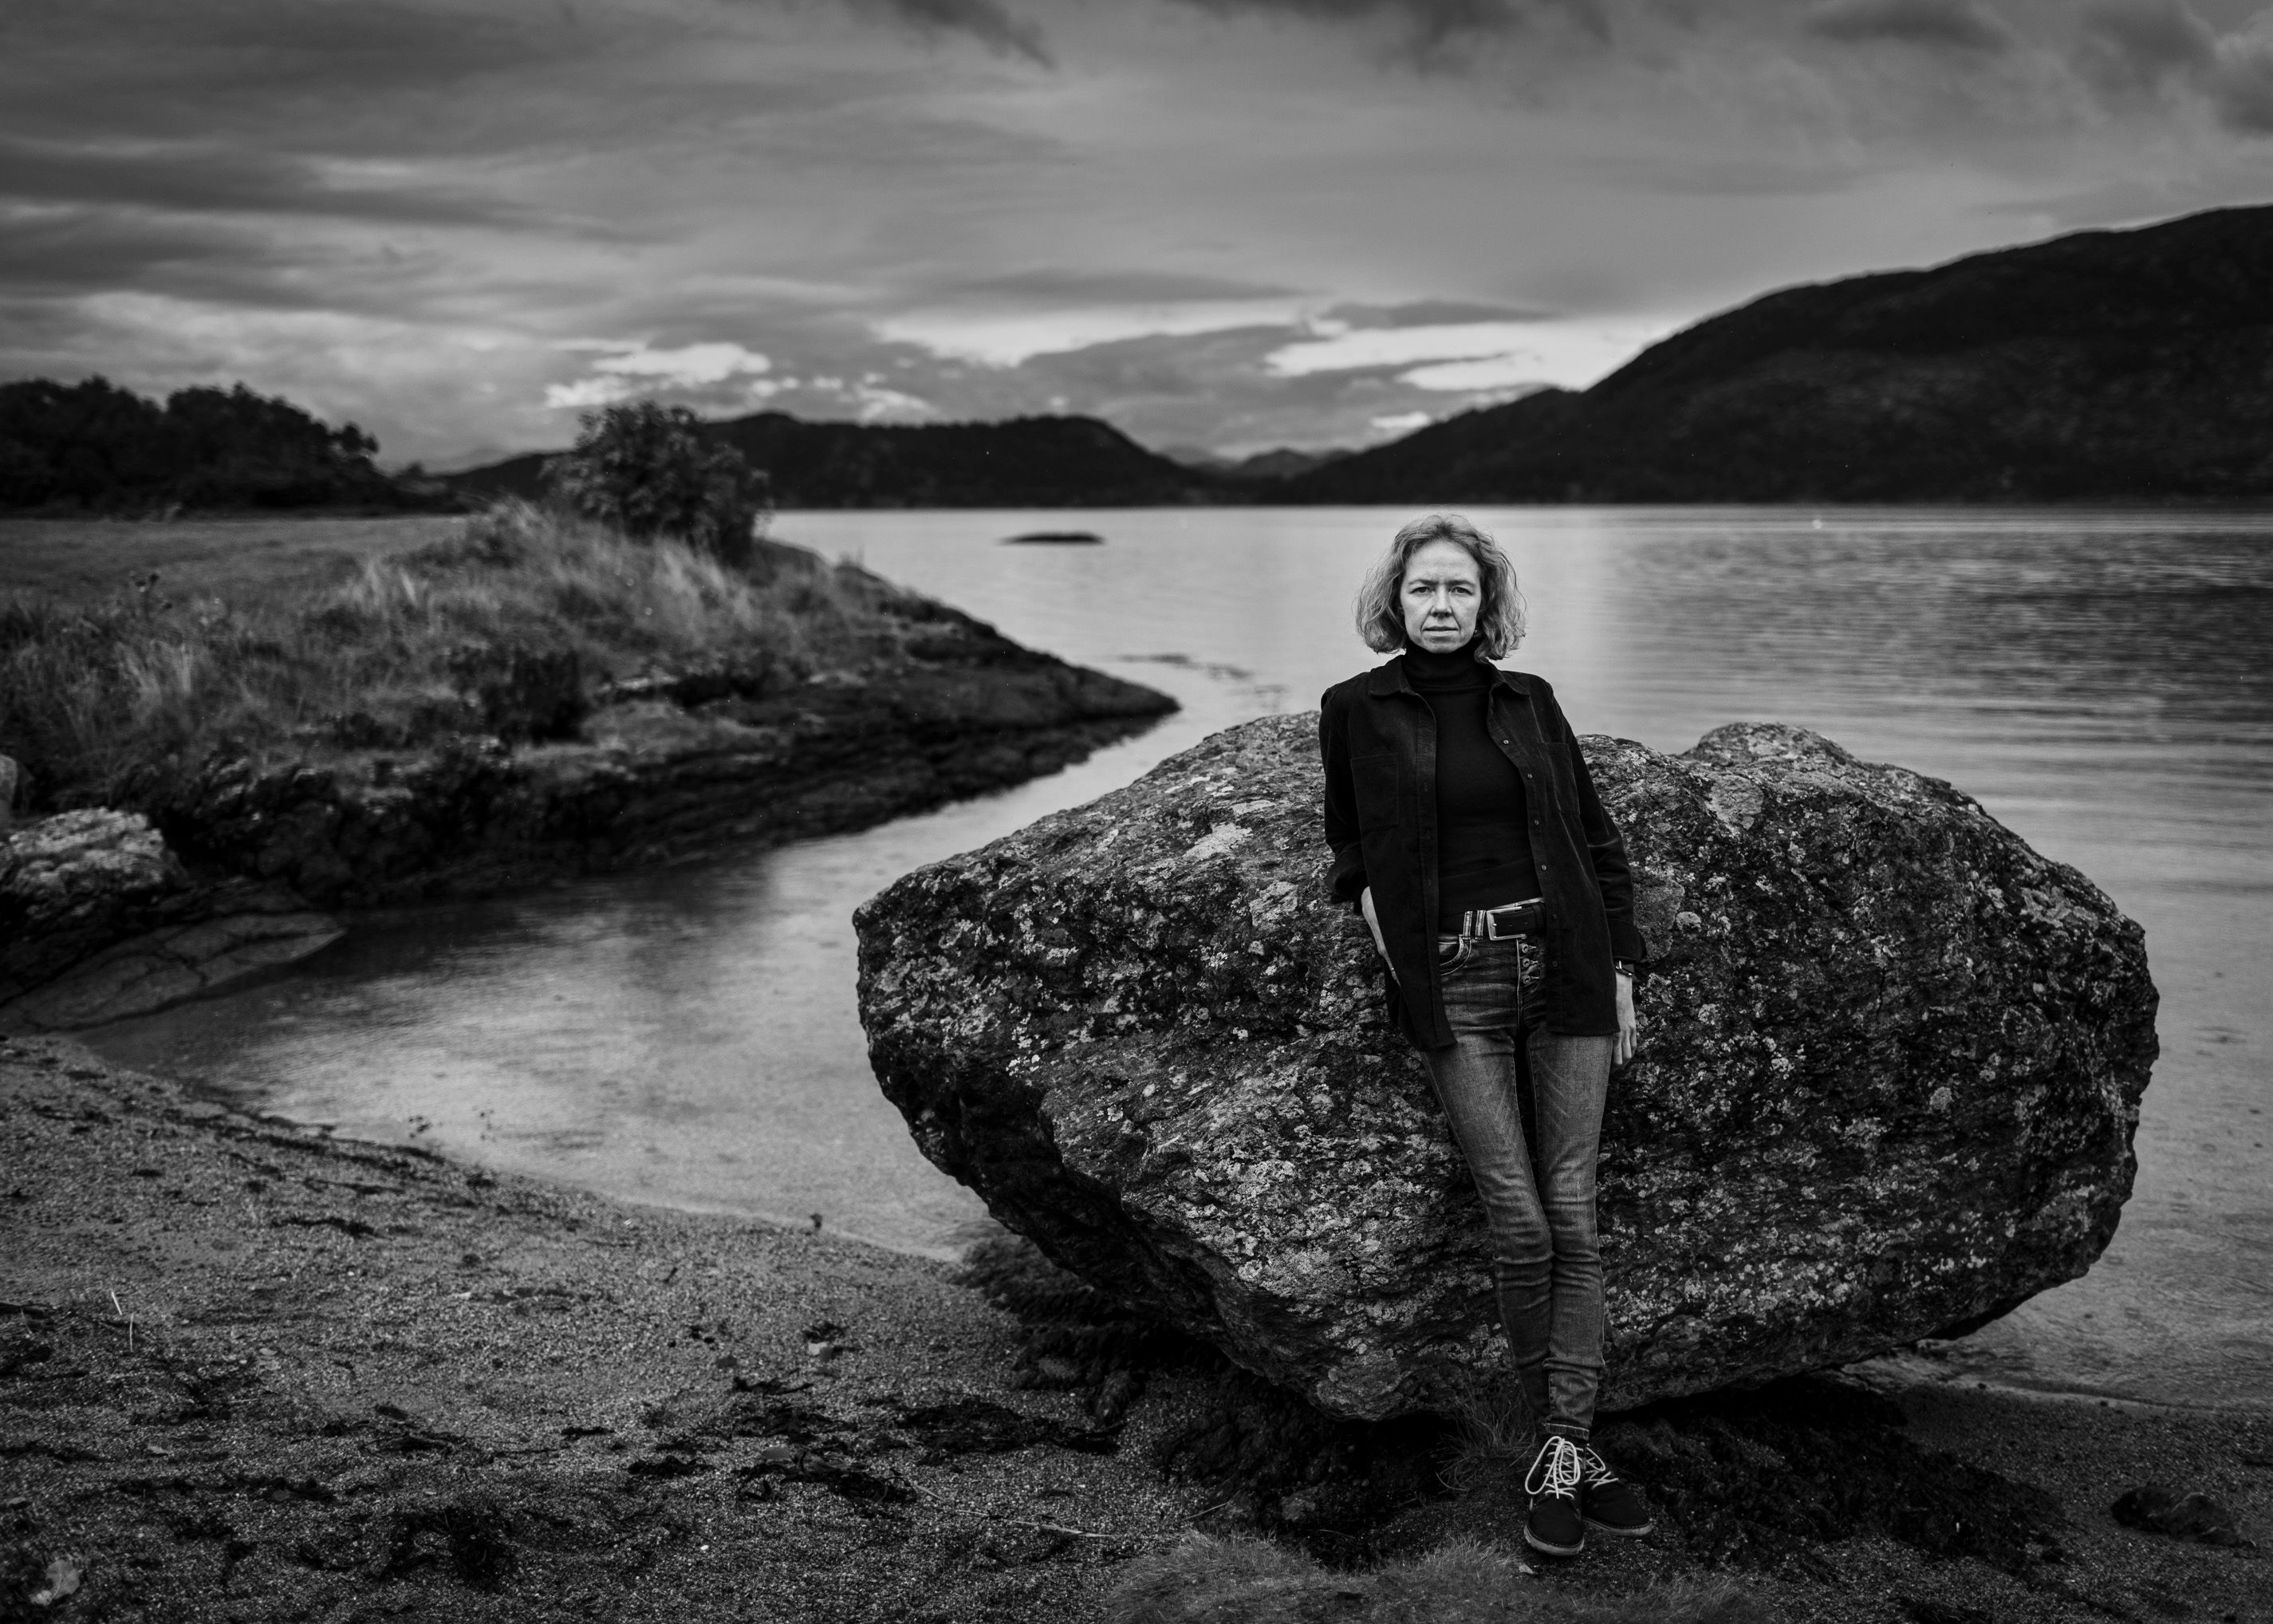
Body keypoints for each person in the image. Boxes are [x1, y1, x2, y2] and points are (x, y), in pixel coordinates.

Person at [1317, 512, 1652, 1559]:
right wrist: (1402, 958)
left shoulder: (1530, 701)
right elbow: (1349, 853)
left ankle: (1563, 1447)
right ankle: (1569, 1449)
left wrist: (1622, 968)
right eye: (1423, 588)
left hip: (1568, 965)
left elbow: (1595, 840)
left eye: (1460, 588)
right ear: (1395, 601)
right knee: (1518, 1220)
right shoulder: (1355, 709)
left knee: (1573, 1215)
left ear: (1486, 603)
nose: (1441, 605)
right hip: (1456, 981)